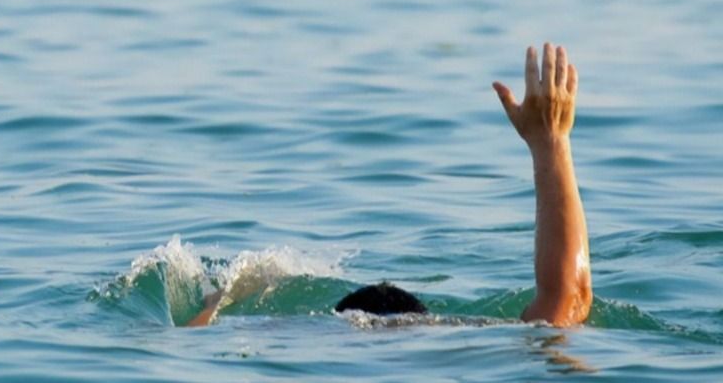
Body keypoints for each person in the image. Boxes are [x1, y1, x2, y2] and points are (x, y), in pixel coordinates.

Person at [187, 43, 591, 328]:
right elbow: (567, 305)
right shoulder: (453, 339)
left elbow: (191, 345)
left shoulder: (314, 338)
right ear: (425, 322)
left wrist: (215, 303)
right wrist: (550, 143)